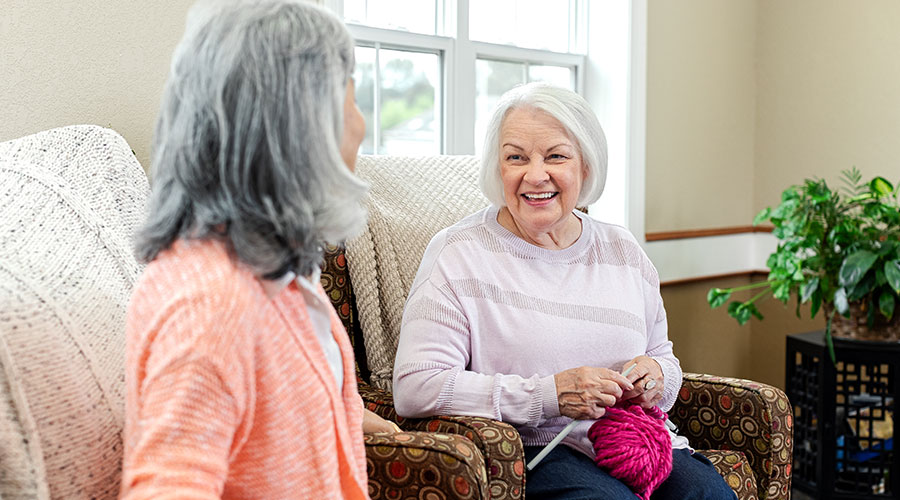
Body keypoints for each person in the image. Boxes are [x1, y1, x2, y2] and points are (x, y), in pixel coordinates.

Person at [392, 82, 735, 499]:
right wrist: (548, 395)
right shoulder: (458, 253)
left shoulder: (623, 250)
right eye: (515, 157)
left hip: (636, 442)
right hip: (536, 450)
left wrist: (656, 377)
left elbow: (664, 357)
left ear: (585, 166)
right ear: (496, 168)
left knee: (708, 495)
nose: (535, 175)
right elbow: (416, 387)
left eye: (555, 156)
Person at [121, 1, 398, 498]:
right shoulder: (212, 304)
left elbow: (288, 399)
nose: (360, 125)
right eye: (351, 101)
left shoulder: (280, 275)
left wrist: (368, 422)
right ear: (300, 132)